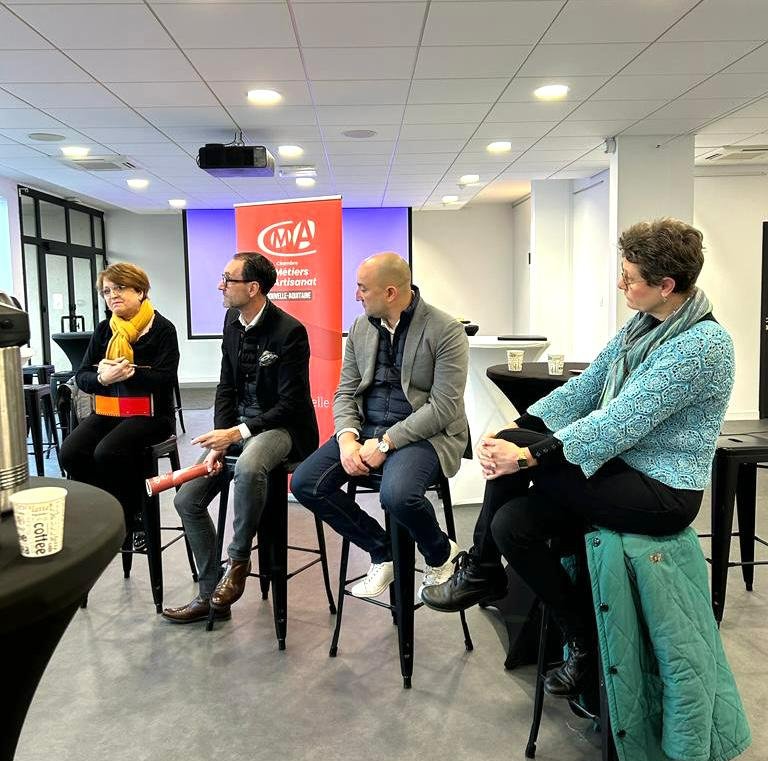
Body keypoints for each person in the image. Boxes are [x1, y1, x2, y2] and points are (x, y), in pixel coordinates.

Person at [422, 218, 735, 697]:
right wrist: (522, 427)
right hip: (620, 470)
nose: (620, 284)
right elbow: (587, 389)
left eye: (629, 277)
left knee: (525, 461)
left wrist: (527, 456)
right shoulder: (645, 324)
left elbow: (619, 423)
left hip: (663, 487)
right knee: (512, 525)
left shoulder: (702, 345)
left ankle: (485, 572)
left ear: (666, 286)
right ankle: (582, 637)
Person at [291, 252, 468, 600]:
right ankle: (381, 550)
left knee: (397, 495)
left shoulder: (445, 330)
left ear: (390, 293)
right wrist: (346, 439)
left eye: (362, 288)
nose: (356, 295)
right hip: (367, 427)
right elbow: (345, 391)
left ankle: (440, 553)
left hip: (423, 435)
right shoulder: (360, 327)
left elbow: (443, 408)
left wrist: (385, 443)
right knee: (305, 483)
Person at [162, 252, 318, 624]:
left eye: (227, 279)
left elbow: (291, 404)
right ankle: (210, 596)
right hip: (239, 426)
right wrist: (222, 438)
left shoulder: (289, 331)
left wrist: (240, 432)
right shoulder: (232, 320)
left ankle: (238, 560)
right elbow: (226, 386)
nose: (220, 285)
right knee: (187, 500)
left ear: (253, 287)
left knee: (249, 466)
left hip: (281, 429)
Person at [60, 262, 180, 544]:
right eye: (107, 291)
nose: (112, 295)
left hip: (152, 415)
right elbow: (83, 375)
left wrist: (129, 373)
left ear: (140, 292)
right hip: (110, 411)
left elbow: (164, 378)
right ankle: (105, 510)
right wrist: (103, 377)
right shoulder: (105, 330)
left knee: (108, 451)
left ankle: (133, 516)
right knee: (71, 452)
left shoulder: (163, 329)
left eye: (120, 288)